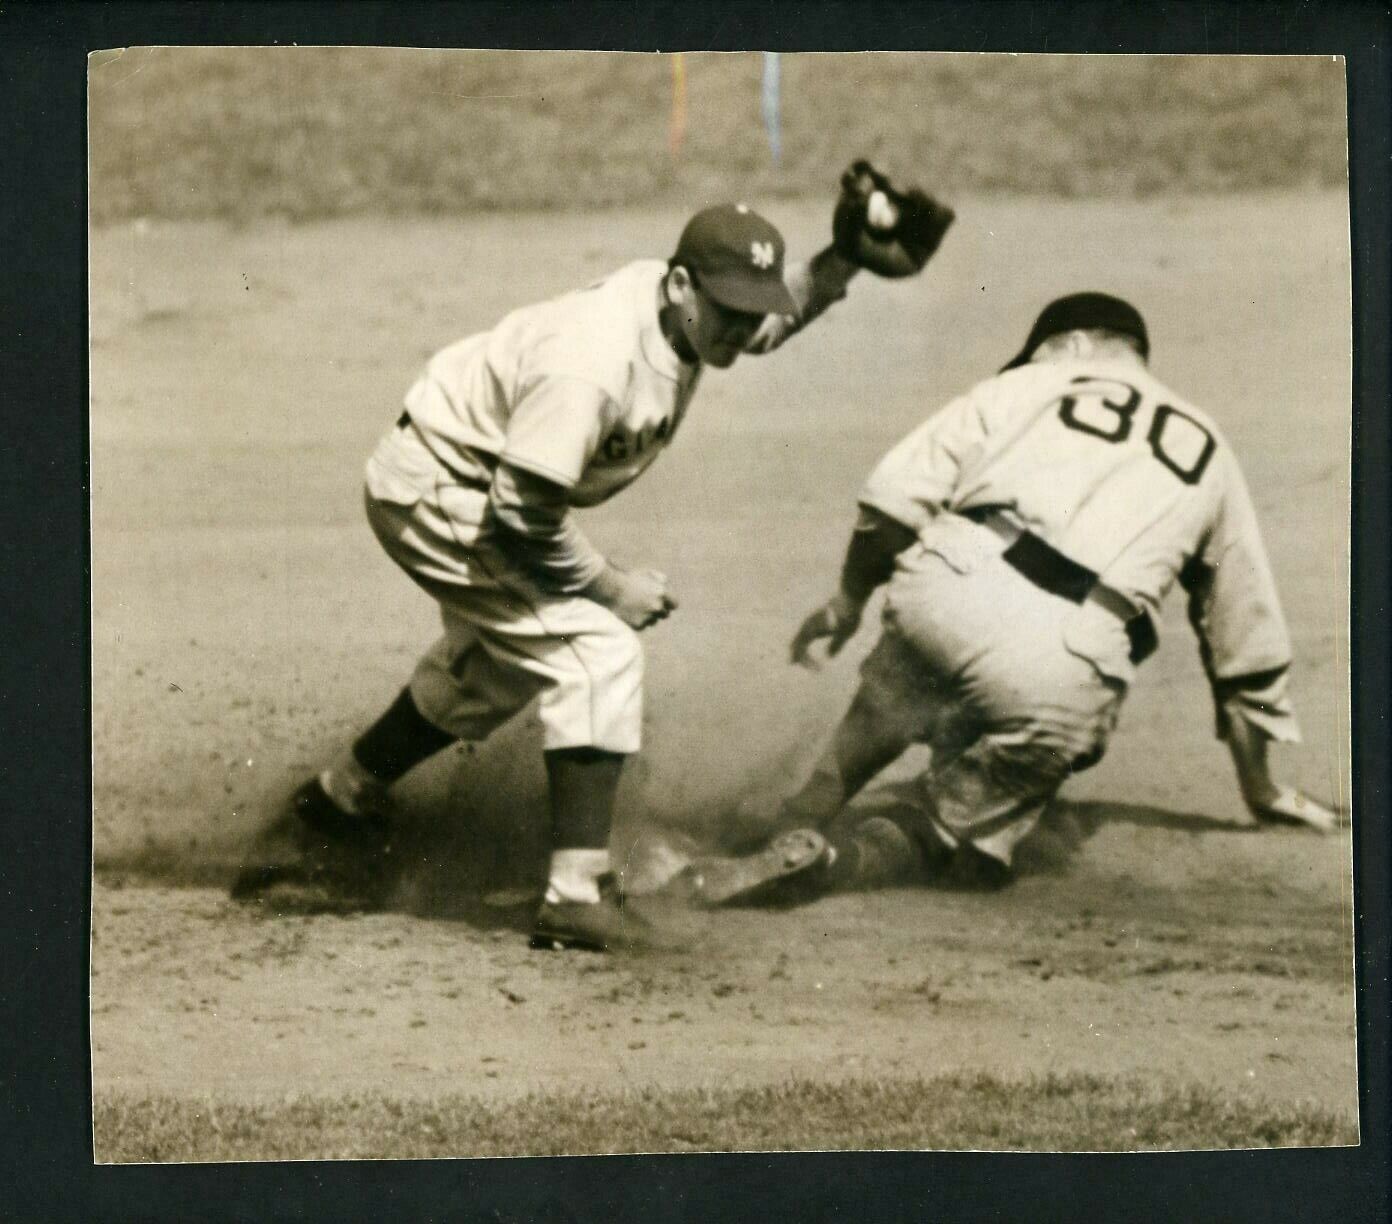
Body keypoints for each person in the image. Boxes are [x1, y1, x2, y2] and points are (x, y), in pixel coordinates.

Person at [231, 163, 955, 949]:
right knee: (597, 650)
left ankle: (338, 803)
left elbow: (763, 322)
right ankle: (576, 893)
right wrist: (611, 587)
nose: (746, 332)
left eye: (754, 312)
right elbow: (521, 513)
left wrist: (845, 257)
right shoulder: (593, 361)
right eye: (732, 313)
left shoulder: (685, 314)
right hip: (444, 488)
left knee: (506, 662)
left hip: (484, 486)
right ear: (681, 287)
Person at [697, 291, 1339, 904]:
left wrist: (848, 599)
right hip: (1069, 656)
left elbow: (891, 500)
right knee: (961, 845)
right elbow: (1244, 638)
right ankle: (838, 859)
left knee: (883, 707)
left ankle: (786, 819)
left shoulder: (1020, 386)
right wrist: (1262, 788)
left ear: (1074, 344)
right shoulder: (1209, 447)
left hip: (949, 584)